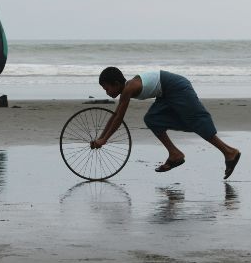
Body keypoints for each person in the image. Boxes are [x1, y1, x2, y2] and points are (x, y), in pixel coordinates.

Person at [92, 67, 241, 179]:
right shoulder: (126, 89)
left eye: (107, 88)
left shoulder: (128, 89)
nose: (107, 92)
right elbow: (116, 115)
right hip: (165, 94)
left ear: (117, 83)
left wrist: (104, 140)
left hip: (177, 87)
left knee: (196, 121)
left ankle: (229, 152)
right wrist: (102, 137)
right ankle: (175, 154)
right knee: (152, 119)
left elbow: (118, 118)